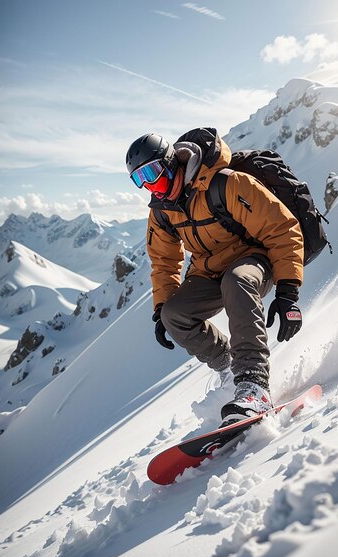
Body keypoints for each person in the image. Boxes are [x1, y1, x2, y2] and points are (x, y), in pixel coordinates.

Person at [126, 127, 304, 426]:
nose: (150, 185)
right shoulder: (162, 210)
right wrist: (161, 310)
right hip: (208, 270)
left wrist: (288, 291)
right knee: (175, 314)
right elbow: (164, 261)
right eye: (139, 179)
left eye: (153, 172)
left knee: (237, 280)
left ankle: (254, 384)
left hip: (253, 257)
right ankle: (231, 366)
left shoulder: (226, 184)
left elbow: (282, 228)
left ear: (170, 162)